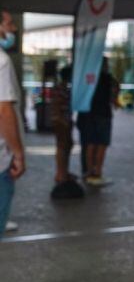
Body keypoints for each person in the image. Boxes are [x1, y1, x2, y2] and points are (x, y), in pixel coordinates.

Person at [0, 8, 26, 282]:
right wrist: (18, 153)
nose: (14, 27)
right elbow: (4, 111)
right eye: (8, 23)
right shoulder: (2, 61)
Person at [76, 57, 118, 187]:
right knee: (101, 144)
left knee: (90, 143)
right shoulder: (109, 79)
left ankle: (89, 173)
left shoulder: (88, 77)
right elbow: (114, 98)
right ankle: (97, 172)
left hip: (88, 114)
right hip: (104, 114)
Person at [50, 65, 83, 199]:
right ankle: (60, 173)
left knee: (67, 145)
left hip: (65, 120)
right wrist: (61, 120)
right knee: (62, 146)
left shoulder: (64, 88)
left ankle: (63, 171)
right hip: (61, 121)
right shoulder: (60, 88)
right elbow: (57, 106)